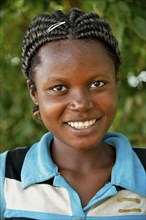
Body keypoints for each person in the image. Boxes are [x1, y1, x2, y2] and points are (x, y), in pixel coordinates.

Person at [0, 8, 145, 220]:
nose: (81, 104)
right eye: (59, 88)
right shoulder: (6, 177)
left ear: (116, 83)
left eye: (97, 84)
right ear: (34, 93)